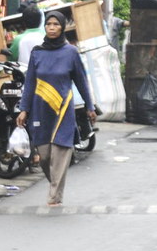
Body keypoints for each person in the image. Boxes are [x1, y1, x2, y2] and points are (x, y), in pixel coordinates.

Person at [15, 11, 97, 207]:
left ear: (62, 28)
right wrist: (24, 109)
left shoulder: (71, 53)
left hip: (63, 110)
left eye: (55, 25)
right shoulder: (37, 52)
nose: (51, 28)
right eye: (49, 24)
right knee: (44, 156)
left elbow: (81, 82)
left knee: (60, 152)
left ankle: (54, 196)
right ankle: (55, 186)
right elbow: (30, 82)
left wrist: (90, 106)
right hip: (40, 109)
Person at [8, 2, 45, 66]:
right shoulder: (46, 36)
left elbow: (11, 58)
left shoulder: (18, 39)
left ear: (23, 22)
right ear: (41, 21)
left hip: (25, 74)